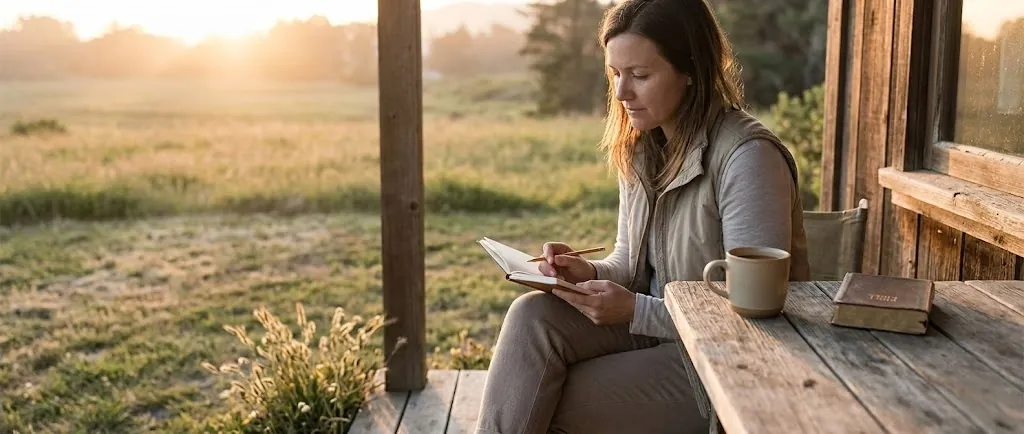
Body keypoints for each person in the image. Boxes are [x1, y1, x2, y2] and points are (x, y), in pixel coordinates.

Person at [474, 0, 811, 433]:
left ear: (692, 71)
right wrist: (586, 272)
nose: (620, 93)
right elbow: (631, 265)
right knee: (531, 317)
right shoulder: (642, 148)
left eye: (640, 75)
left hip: (731, 363)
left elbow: (754, 316)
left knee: (548, 398)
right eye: (615, 73)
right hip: (661, 331)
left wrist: (635, 311)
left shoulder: (748, 159)